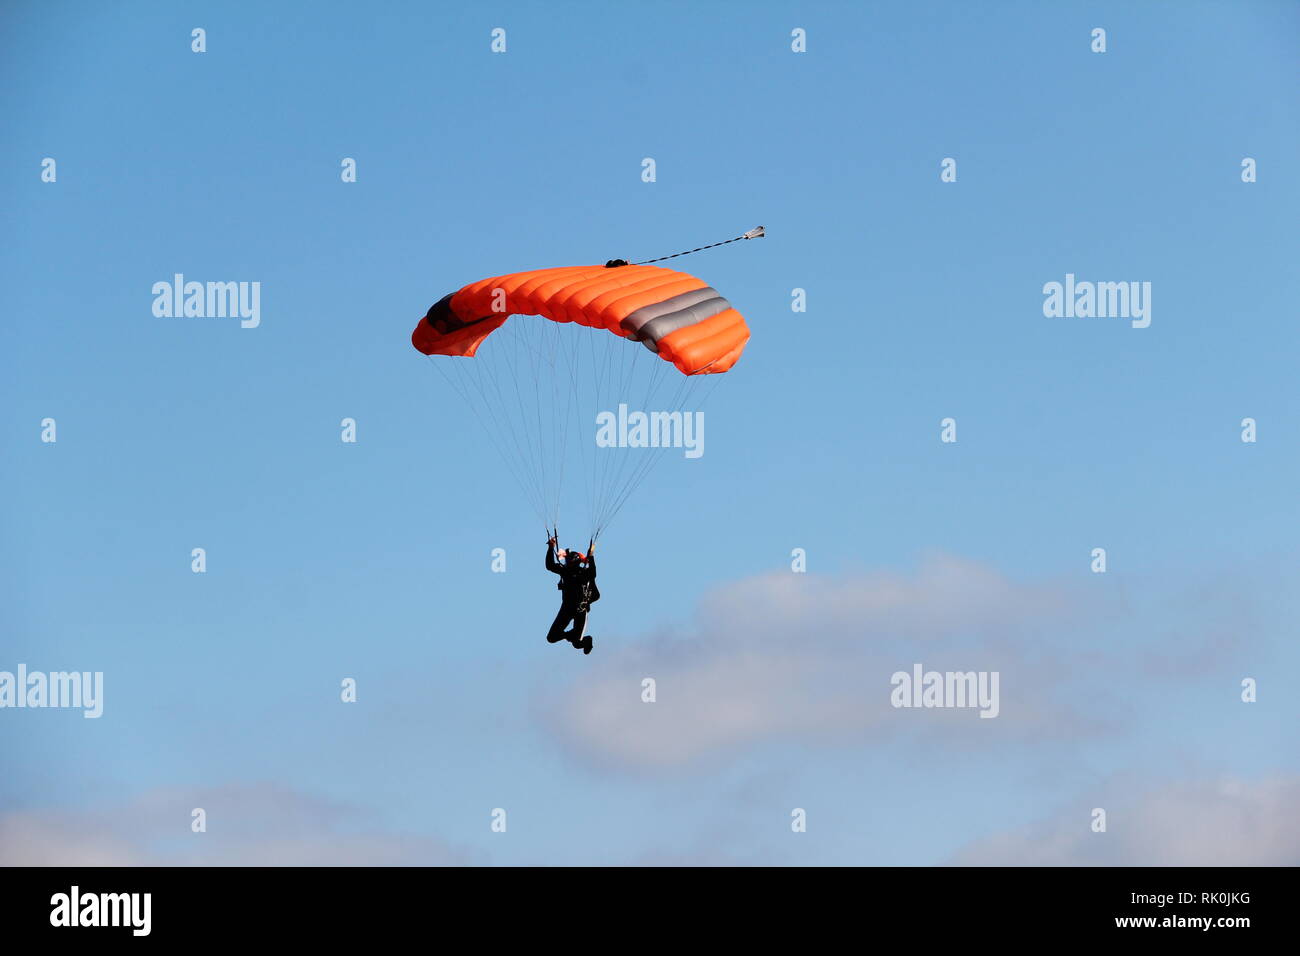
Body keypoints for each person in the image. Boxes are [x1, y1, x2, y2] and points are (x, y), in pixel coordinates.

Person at [545, 536, 599, 654]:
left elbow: (593, 572)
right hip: (566, 609)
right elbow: (550, 565)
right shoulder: (565, 571)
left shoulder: (584, 573)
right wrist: (550, 547)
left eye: (569, 560)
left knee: (577, 644)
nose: (566, 562)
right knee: (552, 637)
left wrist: (591, 556)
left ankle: (586, 640)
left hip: (580, 611)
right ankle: (571, 634)